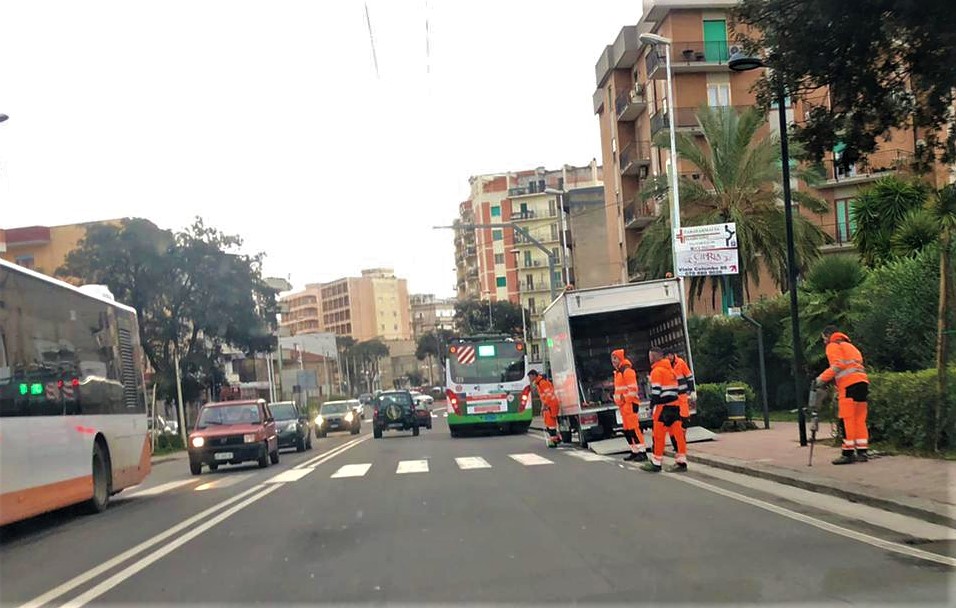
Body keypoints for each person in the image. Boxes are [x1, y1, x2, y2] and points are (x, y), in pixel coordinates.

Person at [814, 325, 870, 464]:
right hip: (862, 383)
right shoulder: (850, 346)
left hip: (849, 385)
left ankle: (848, 453)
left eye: (824, 338)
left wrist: (821, 379)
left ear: (828, 335)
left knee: (847, 419)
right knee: (859, 418)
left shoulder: (833, 346)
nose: (824, 342)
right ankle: (862, 451)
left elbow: (837, 365)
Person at [642, 347, 687, 473]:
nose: (649, 359)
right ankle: (681, 462)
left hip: (662, 407)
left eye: (650, 356)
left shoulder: (656, 371)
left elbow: (656, 392)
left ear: (654, 357)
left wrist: (652, 405)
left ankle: (656, 463)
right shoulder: (671, 370)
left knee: (658, 436)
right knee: (677, 435)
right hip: (675, 406)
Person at [611, 349, 648, 462]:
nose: (613, 361)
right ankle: (635, 451)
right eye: (612, 359)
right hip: (624, 406)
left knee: (633, 429)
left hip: (630, 404)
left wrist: (624, 399)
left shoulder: (627, 371)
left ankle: (642, 452)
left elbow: (633, 389)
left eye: (615, 358)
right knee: (627, 430)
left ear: (620, 358)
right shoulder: (618, 372)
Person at [666, 350, 695, 452]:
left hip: (682, 396)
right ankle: (677, 444)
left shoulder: (680, 363)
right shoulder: (666, 366)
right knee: (673, 423)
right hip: (672, 398)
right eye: (666, 356)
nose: (668, 358)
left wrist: (692, 390)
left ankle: (681, 440)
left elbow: (689, 376)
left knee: (684, 419)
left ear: (673, 355)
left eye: (669, 355)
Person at [528, 370, 560, 448]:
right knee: (549, 424)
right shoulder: (539, 383)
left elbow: (548, 394)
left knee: (551, 425)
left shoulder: (542, 383)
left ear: (534, 375)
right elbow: (544, 396)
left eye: (530, 377)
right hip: (549, 405)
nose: (529, 379)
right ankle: (556, 438)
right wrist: (543, 406)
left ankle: (554, 441)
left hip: (550, 405)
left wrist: (544, 405)